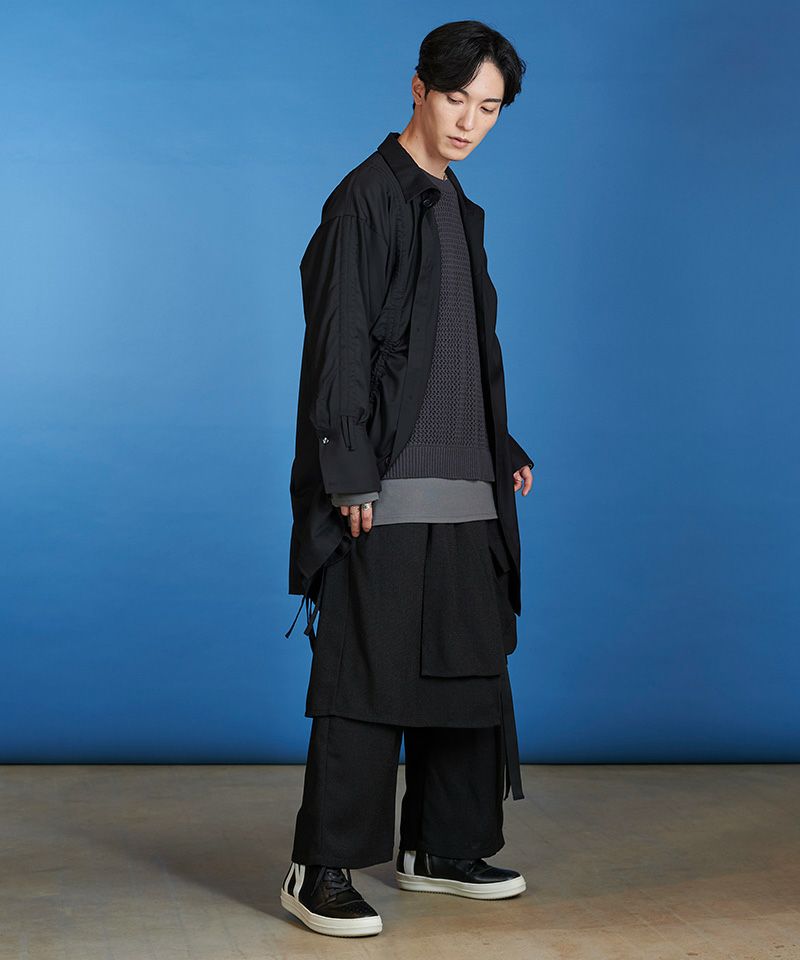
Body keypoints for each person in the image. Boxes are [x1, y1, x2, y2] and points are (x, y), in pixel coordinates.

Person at [281, 20, 535, 938]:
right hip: (380, 485)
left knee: (470, 666)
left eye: (489, 107)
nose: (469, 121)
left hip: (467, 482)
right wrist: (347, 472)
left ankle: (442, 847)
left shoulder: (458, 206)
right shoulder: (365, 199)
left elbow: (455, 351)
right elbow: (340, 344)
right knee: (364, 675)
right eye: (457, 98)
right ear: (419, 88)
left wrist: (501, 446)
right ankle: (320, 869)